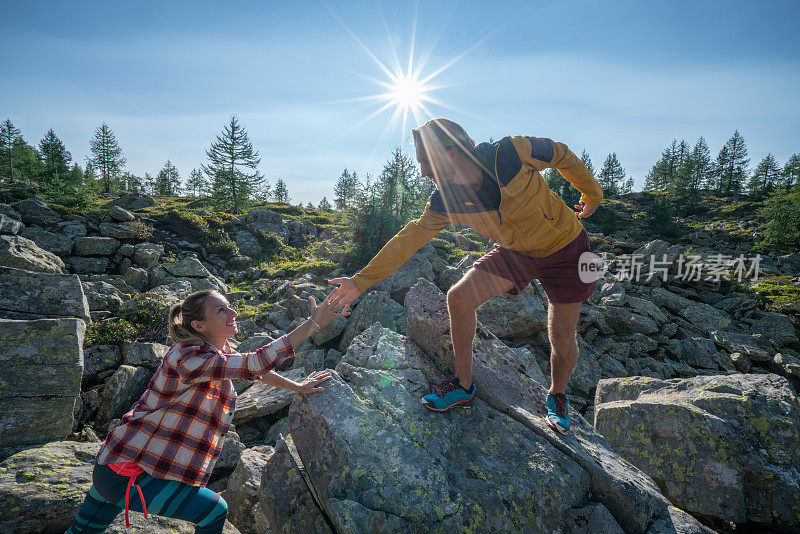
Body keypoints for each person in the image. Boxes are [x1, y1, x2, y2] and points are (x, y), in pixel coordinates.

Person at [327, 118, 602, 435]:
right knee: (458, 297)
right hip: (516, 252)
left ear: (450, 154)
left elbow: (561, 154)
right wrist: (360, 281)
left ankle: (557, 395)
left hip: (567, 248)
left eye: (425, 163)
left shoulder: (511, 152)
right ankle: (463, 385)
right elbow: (410, 237)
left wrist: (592, 194)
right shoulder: (445, 200)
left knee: (561, 339)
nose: (423, 173)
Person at [66, 289, 349, 534]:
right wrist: (314, 322)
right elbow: (254, 364)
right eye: (221, 310)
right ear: (199, 325)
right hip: (130, 473)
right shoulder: (188, 357)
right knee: (215, 511)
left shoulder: (215, 352)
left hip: (118, 466)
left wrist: (298, 386)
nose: (233, 311)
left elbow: (254, 372)